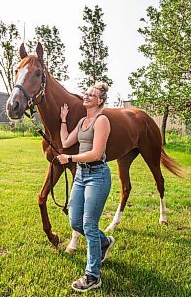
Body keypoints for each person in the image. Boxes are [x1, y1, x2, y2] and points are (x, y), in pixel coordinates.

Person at [56, 82, 115, 292]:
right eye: (86, 93)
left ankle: (93, 276)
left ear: (99, 100)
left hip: (97, 175)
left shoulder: (102, 120)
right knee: (75, 221)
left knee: (89, 223)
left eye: (92, 94)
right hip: (81, 175)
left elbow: (96, 153)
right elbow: (64, 142)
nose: (87, 96)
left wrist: (70, 158)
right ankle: (104, 242)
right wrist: (63, 120)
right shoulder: (82, 121)